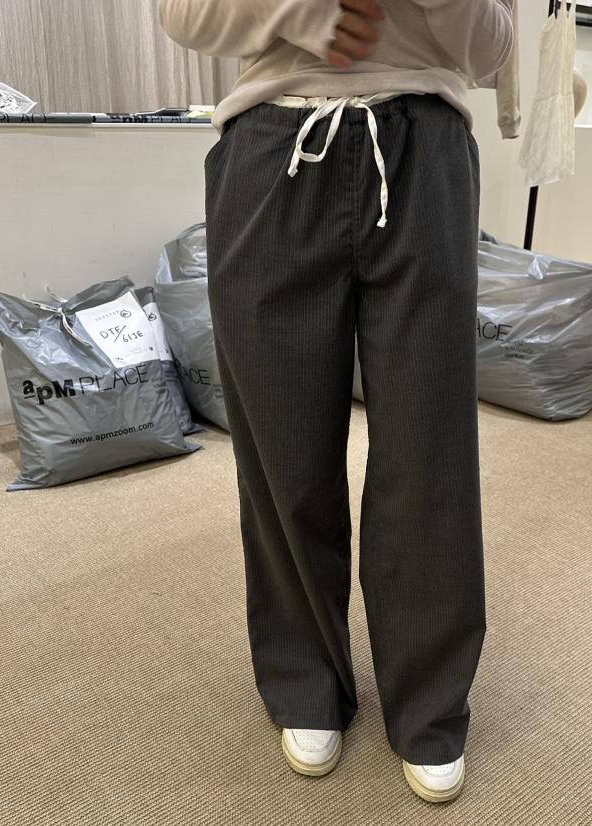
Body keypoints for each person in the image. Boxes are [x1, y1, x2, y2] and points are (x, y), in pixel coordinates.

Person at [159, 0, 513, 803]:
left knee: (428, 451)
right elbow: (185, 16)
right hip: (271, 150)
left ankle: (428, 703)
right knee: (281, 449)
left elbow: (491, 49)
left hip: (424, 153)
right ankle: (306, 680)